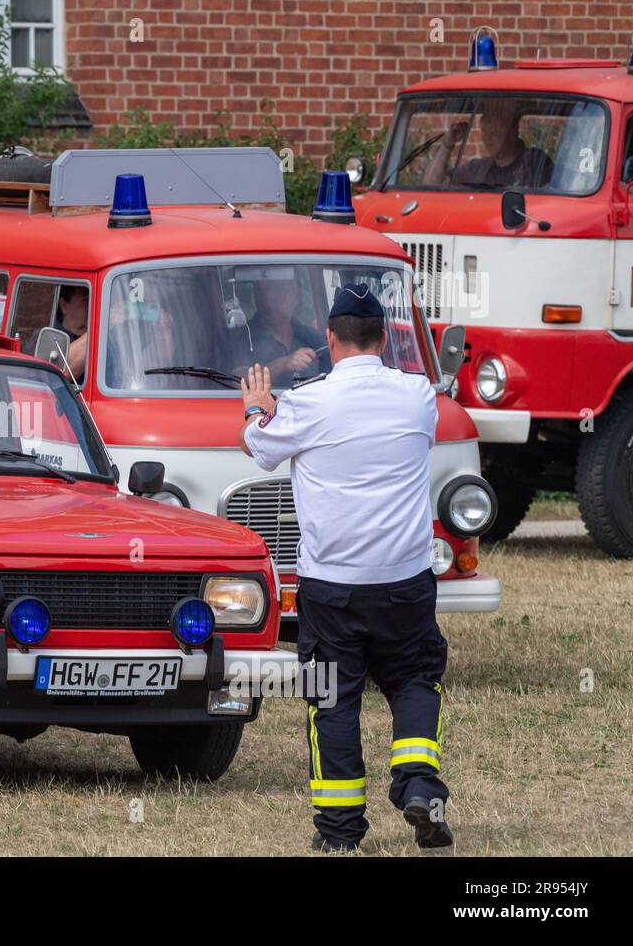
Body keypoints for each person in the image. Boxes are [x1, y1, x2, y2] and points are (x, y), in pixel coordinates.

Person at [238, 283, 452, 853]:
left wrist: (260, 408)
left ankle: (338, 832)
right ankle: (419, 783)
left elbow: (258, 447)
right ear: (383, 339)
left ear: (330, 339)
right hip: (405, 580)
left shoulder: (308, 403)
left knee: (331, 700)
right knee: (413, 679)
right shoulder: (417, 395)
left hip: (332, 586)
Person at [422, 97, 554, 188]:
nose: (487, 138)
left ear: (513, 132)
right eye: (484, 132)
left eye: (494, 132)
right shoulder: (477, 169)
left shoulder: (534, 163)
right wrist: (447, 144)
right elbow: (432, 183)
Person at [237, 277, 326, 384]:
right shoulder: (241, 337)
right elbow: (233, 381)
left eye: (280, 290)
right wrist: (283, 364)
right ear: (256, 296)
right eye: (265, 291)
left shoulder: (313, 338)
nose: (270, 298)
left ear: (297, 296)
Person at [26, 285, 89, 381]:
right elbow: (56, 374)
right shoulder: (45, 336)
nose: (92, 307)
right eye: (86, 301)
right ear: (64, 306)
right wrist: (100, 326)